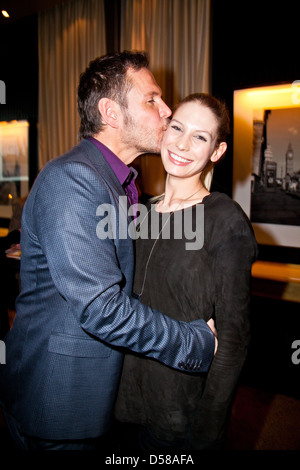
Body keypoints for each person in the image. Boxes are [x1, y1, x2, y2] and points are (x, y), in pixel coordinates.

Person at [0, 52, 217, 451]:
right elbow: (102, 308)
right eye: (152, 100)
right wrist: (195, 342)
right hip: (60, 400)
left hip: (98, 394)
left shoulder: (122, 182)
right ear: (111, 112)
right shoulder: (74, 179)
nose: (167, 110)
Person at [114, 93, 258, 451]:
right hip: (118, 407)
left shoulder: (225, 220)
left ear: (217, 152)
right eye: (177, 128)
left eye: (200, 136)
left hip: (177, 419)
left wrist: (206, 433)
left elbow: (233, 343)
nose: (181, 143)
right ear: (163, 132)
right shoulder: (137, 212)